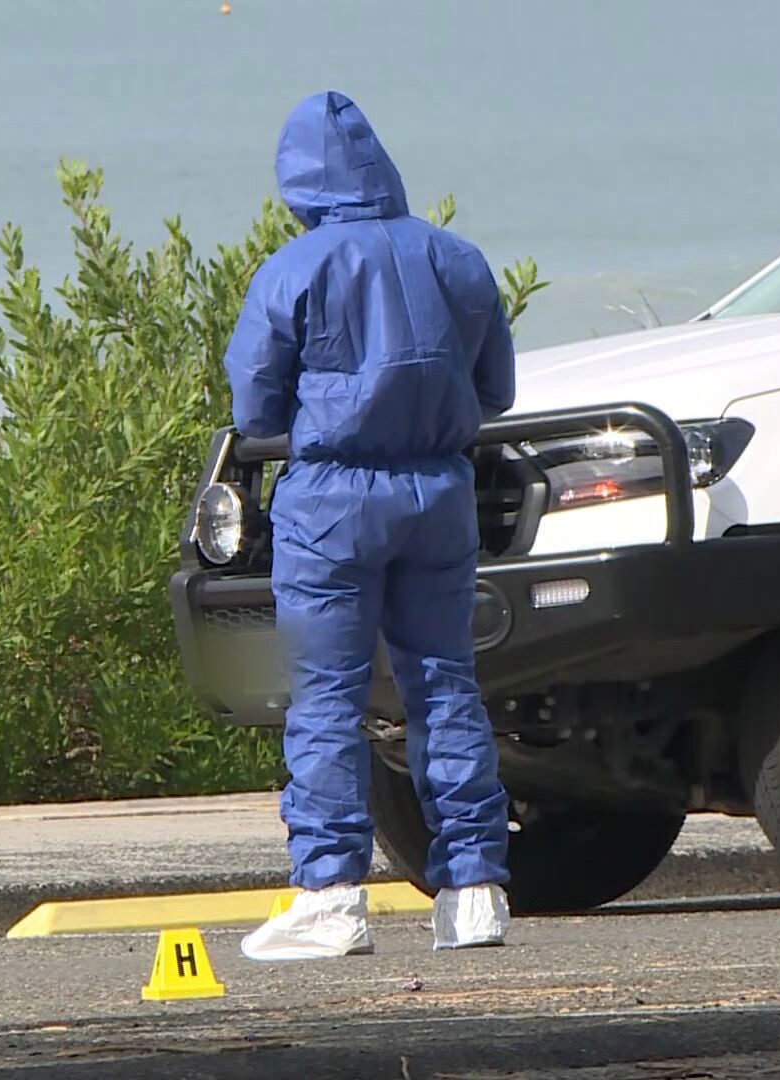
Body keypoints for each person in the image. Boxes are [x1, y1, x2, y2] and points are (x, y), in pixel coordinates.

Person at [227, 90, 517, 961]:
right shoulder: (456, 257)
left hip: (333, 498)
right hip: (439, 492)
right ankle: (474, 891)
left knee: (327, 700)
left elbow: (254, 401)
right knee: (445, 686)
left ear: (299, 180)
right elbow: (496, 387)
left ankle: (330, 894)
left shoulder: (295, 266)